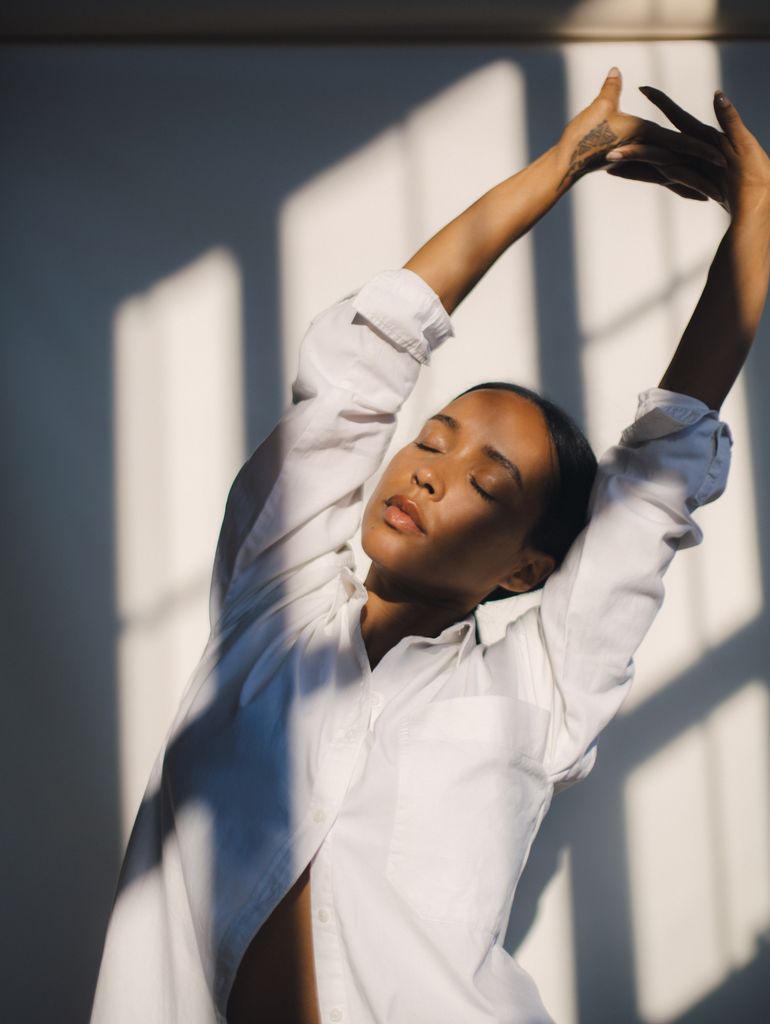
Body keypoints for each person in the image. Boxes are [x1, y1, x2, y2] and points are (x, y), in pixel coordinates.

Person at [90, 68, 770, 1023]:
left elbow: (657, 482)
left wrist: (758, 218)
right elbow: (365, 363)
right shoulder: (267, 610)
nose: (427, 474)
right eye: (430, 441)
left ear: (529, 567)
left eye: (488, 484)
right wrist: (562, 165)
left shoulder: (537, 692)